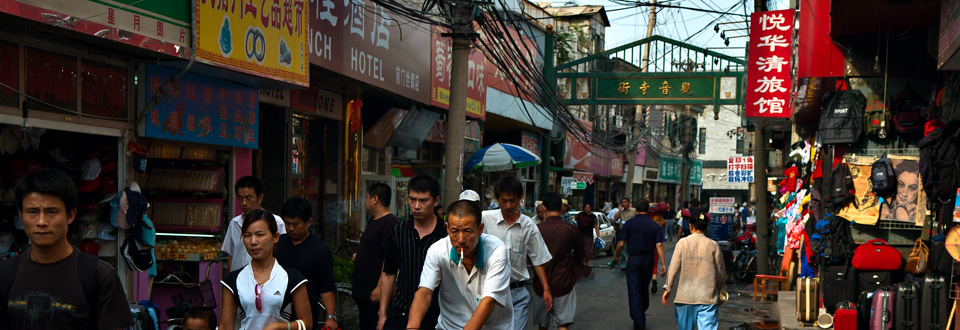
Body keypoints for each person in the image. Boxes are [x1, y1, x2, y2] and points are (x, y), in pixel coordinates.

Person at [0, 170, 133, 330]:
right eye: (32, 212)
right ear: (21, 215)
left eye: (51, 212)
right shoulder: (5, 273)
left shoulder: (99, 276)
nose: (41, 221)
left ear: (70, 215)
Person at [406, 201, 513, 330]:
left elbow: (489, 301)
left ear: (480, 229)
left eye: (467, 231)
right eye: (455, 231)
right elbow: (425, 292)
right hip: (449, 326)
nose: (461, 239)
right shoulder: (437, 251)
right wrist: (412, 327)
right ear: (447, 229)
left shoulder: (496, 251)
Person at [219, 210, 313, 330]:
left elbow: (307, 324)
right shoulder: (232, 280)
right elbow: (226, 326)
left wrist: (280, 327)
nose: (253, 242)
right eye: (247, 235)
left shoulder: (292, 278)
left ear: (275, 237)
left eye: (260, 235)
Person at [481, 176, 553, 330]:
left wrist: (546, 289)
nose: (508, 205)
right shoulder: (484, 220)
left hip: (517, 292)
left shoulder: (529, 226)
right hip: (489, 291)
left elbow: (538, 259)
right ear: (497, 198)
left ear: (521, 197)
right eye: (503, 201)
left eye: (512, 201)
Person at [378, 175, 446, 330]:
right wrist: (382, 314)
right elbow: (389, 273)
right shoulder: (399, 231)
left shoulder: (446, 234)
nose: (416, 206)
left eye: (423, 201)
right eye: (412, 199)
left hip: (436, 314)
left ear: (435, 201)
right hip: (401, 311)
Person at [275, 198, 338, 330]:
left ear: (309, 222)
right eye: (287, 223)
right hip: (277, 307)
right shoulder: (277, 244)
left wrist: (330, 316)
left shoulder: (320, 250)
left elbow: (326, 286)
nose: (291, 228)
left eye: (295, 224)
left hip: (306, 309)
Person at [533, 193, 591, 330]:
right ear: (561, 207)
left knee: (543, 325)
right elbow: (581, 254)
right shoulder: (571, 229)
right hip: (564, 282)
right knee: (563, 324)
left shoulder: (536, 230)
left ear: (544, 207)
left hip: (541, 284)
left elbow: (531, 257)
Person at [662, 209, 726, 330]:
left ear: (690, 226)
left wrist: (668, 288)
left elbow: (673, 267)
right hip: (708, 297)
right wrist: (721, 289)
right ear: (706, 227)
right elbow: (720, 271)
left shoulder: (682, 242)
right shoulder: (713, 245)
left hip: (685, 296)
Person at [612, 200, 666, 330]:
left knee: (634, 289)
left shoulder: (630, 224)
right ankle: (640, 312)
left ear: (635, 209)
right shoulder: (654, 226)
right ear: (648, 210)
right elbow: (659, 245)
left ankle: (639, 320)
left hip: (634, 260)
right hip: (648, 260)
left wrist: (616, 256)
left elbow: (620, 244)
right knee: (643, 287)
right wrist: (663, 264)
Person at [354, 183, 400, 330]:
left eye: (366, 198)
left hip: (374, 292)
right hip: (363, 291)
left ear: (375, 199)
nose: (364, 202)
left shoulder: (390, 222)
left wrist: (380, 287)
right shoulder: (373, 221)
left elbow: (389, 257)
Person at [223, 176, 287, 272]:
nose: (244, 203)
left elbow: (282, 253)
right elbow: (231, 255)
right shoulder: (234, 223)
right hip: (239, 279)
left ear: (260, 197)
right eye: (240, 198)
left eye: (249, 198)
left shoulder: (275, 221)